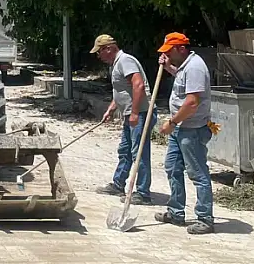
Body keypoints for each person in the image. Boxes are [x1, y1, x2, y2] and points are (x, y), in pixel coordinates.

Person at [154, 32, 215, 234]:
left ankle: (205, 218)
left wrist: (171, 122)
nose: (168, 55)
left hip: (192, 130)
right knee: (172, 168)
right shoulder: (185, 66)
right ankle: (176, 211)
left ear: (181, 48)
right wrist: (168, 67)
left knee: (197, 173)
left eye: (170, 52)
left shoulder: (196, 67)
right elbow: (182, 82)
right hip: (180, 129)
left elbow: (191, 102)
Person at [91, 34, 153, 205]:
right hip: (130, 113)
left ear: (108, 48)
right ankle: (118, 183)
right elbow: (122, 91)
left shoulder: (126, 61)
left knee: (138, 153)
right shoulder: (116, 64)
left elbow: (138, 85)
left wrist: (134, 113)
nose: (99, 56)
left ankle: (143, 193)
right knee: (124, 150)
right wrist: (111, 109)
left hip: (140, 114)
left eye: (100, 52)